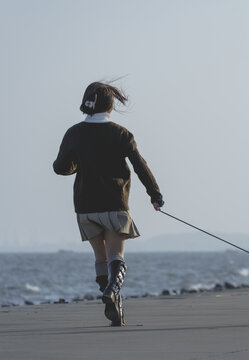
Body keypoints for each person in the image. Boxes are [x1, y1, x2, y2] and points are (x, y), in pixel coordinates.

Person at [53, 81, 164, 326]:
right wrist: (155, 195)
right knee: (116, 257)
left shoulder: (74, 132)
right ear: (110, 106)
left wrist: (79, 163)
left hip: (85, 207)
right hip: (114, 204)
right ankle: (113, 292)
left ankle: (113, 303)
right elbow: (140, 166)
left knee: (101, 258)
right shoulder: (121, 133)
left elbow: (60, 168)